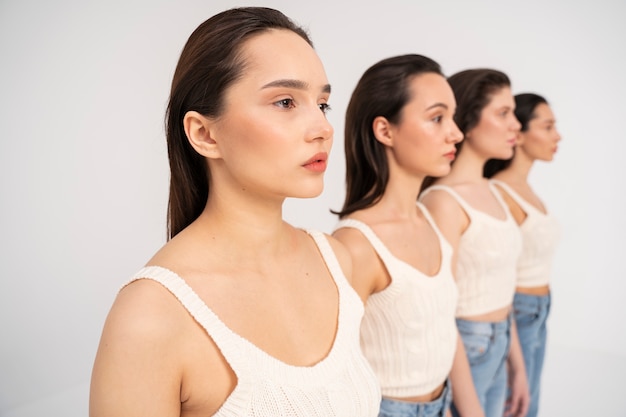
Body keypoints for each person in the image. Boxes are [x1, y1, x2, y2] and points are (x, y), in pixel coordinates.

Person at [89, 7, 381, 417]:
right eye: (285, 101)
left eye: (323, 104)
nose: (322, 127)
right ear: (204, 134)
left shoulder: (337, 261)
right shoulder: (150, 318)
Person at [332, 54, 483, 417]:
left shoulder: (432, 221)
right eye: (437, 118)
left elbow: (444, 328)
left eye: (453, 117)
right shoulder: (356, 245)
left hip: (442, 403)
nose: (456, 133)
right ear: (385, 130)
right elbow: (334, 373)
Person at [419, 69, 529, 417]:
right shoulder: (443, 201)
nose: (516, 126)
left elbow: (503, 285)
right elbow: (440, 311)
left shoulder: (495, 191)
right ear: (467, 120)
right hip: (465, 347)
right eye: (503, 114)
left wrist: (517, 365)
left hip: (500, 341)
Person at [483, 93, 561, 417]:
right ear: (521, 133)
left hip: (539, 311)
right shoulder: (499, 192)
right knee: (515, 407)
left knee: (528, 404)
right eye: (548, 126)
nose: (558, 136)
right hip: (518, 312)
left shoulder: (527, 191)